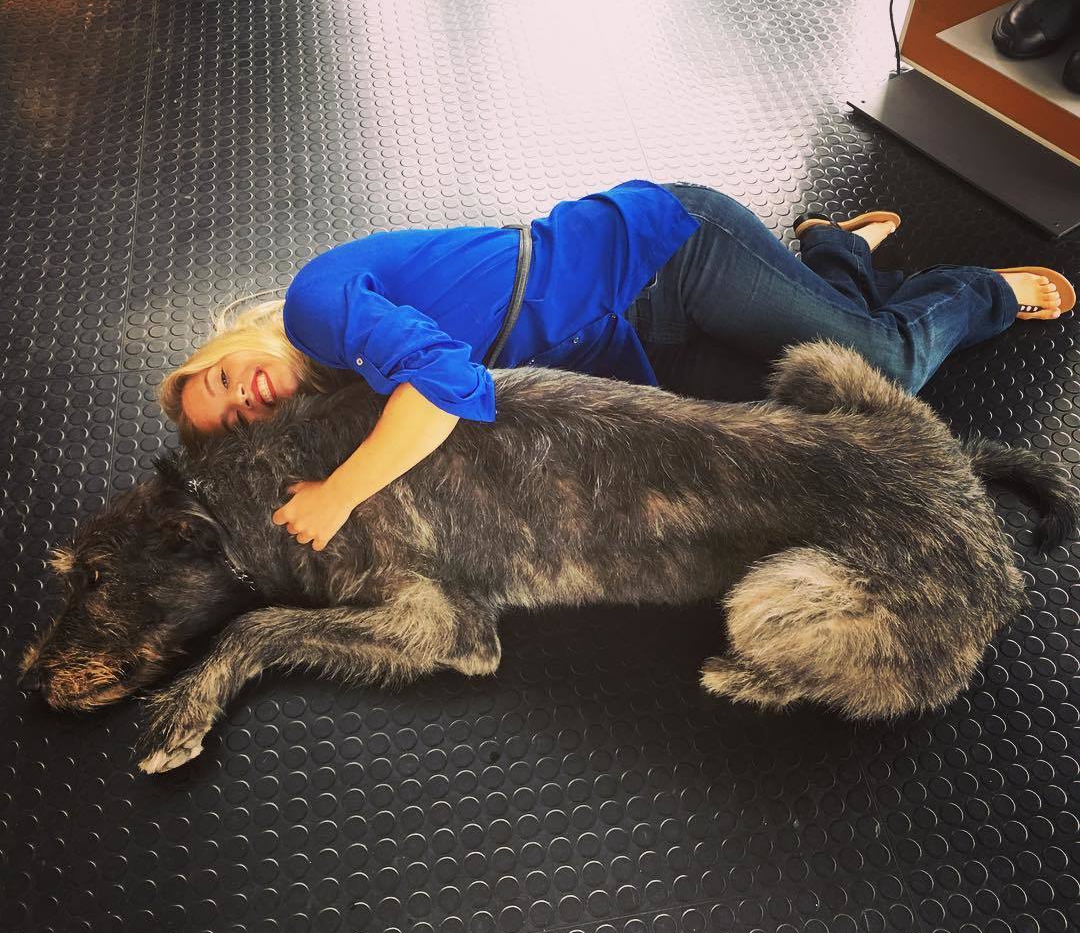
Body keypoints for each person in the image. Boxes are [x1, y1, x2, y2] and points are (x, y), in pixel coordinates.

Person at [159, 180, 1074, 552]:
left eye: (222, 380)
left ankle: (979, 293)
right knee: (810, 411)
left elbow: (448, 386)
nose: (245, 397)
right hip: (642, 349)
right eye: (236, 420)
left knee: (882, 367)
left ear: (232, 346)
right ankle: (838, 254)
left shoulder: (315, 307)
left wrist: (338, 495)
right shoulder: (342, 388)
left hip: (667, 254)